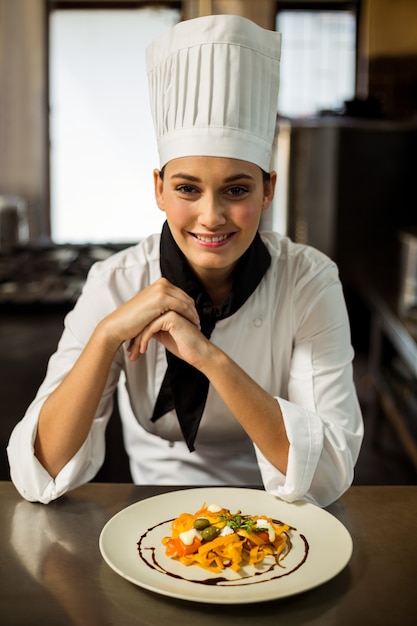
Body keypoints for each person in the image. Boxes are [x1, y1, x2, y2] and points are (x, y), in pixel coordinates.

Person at [7, 14, 363, 506]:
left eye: (236, 189)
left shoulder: (309, 281)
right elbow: (36, 471)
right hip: (150, 506)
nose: (211, 217)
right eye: (187, 189)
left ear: (268, 191)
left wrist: (207, 356)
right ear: (158, 188)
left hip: (278, 503)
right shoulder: (116, 282)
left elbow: (327, 470)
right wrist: (107, 335)